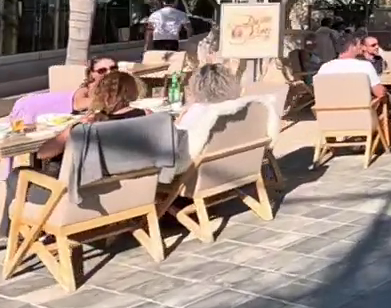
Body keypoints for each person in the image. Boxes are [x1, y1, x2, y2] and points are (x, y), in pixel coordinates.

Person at [2, 72, 149, 238]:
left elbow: (43, 153)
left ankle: (11, 237)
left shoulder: (86, 127)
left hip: (78, 198)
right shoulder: (147, 117)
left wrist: (68, 132)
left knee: (17, 175)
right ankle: (21, 233)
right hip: (125, 192)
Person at [316, 32, 387, 101]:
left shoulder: (324, 68)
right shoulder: (364, 66)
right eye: (359, 45)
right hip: (359, 110)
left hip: (329, 111)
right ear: (352, 47)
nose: (360, 48)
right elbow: (379, 93)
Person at [176, 63, 241, 131]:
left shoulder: (198, 110)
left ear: (198, 85)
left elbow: (179, 128)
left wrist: (184, 112)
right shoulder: (236, 106)